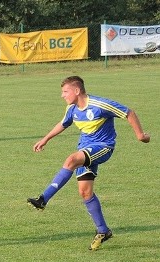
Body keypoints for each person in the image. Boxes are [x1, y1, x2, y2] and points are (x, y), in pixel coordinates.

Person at [28, 75, 150, 250]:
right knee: (85, 193)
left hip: (103, 147)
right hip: (85, 150)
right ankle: (103, 230)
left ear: (77, 91)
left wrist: (140, 135)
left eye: (65, 91)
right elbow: (63, 124)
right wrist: (45, 139)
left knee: (71, 160)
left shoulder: (100, 105)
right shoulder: (72, 109)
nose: (62, 95)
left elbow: (128, 112)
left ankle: (43, 199)